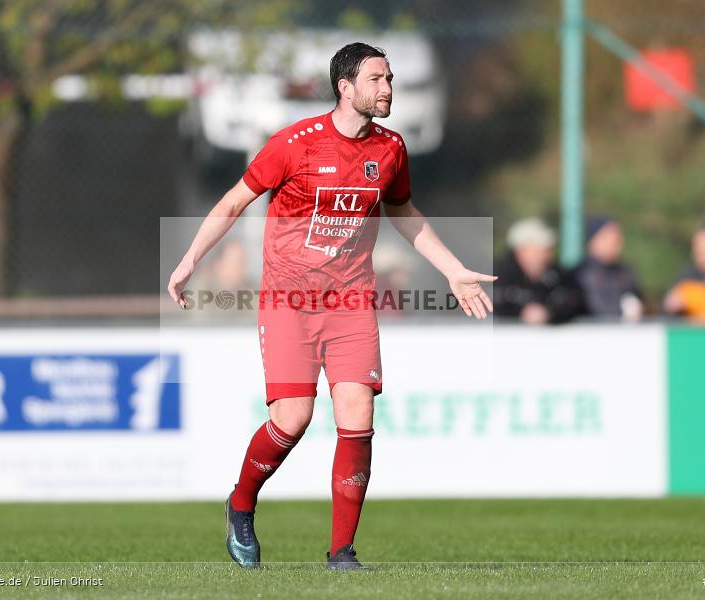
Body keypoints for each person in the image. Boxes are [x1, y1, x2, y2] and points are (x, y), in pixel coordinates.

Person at [166, 43, 495, 570]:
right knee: (293, 420)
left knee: (358, 413)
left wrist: (452, 269)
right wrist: (188, 262)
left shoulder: (390, 148)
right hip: (288, 301)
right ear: (346, 87)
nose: (387, 88)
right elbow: (232, 202)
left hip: (351, 301)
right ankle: (241, 501)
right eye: (377, 79)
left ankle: (341, 552)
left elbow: (403, 211)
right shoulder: (293, 144)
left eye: (390, 79)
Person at [494, 218, 584, 324]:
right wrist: (522, 312)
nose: (548, 253)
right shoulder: (498, 275)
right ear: (522, 250)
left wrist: (549, 313)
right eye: (542, 249)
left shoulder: (556, 276)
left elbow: (572, 303)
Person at [571, 216, 643, 321]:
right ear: (593, 240)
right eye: (609, 238)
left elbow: (639, 299)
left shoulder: (626, 272)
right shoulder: (579, 274)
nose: (616, 243)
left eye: (617, 238)